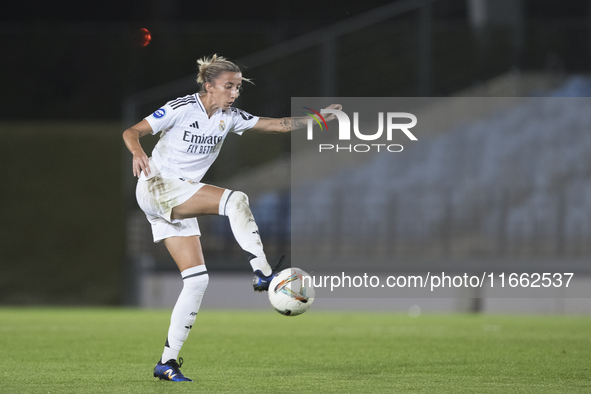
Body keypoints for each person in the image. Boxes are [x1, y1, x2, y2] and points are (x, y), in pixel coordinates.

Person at [122, 54, 341, 382]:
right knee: (235, 199)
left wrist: (319, 119)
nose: (235, 93)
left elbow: (276, 124)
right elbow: (131, 131)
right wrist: (138, 151)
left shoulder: (230, 117)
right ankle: (264, 274)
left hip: (178, 195)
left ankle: (166, 363)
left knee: (197, 281)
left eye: (238, 87)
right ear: (209, 86)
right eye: (229, 86)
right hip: (157, 186)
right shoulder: (182, 108)